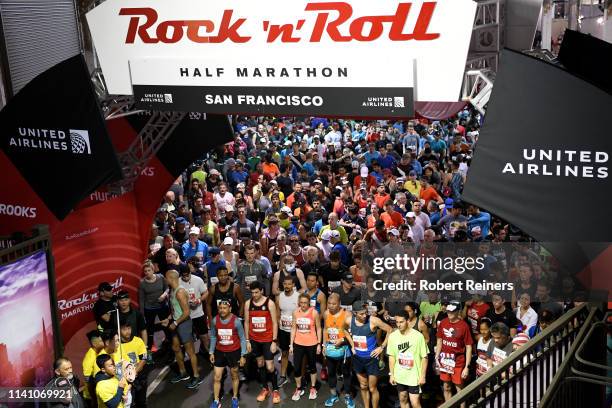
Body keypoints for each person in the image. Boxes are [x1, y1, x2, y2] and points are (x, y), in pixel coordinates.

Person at [346, 300, 392, 408]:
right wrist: (352, 344)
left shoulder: (373, 320)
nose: (365, 315)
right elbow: (343, 329)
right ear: (354, 313)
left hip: (371, 359)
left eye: (366, 312)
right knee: (363, 386)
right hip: (358, 359)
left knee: (372, 388)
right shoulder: (349, 320)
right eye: (361, 313)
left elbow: (390, 330)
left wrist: (381, 347)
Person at [162, 270, 202, 389]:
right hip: (176, 322)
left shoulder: (180, 292)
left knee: (190, 352)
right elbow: (175, 309)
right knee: (175, 348)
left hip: (183, 324)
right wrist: (168, 318)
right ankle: (183, 372)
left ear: (171, 278)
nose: (165, 280)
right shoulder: (172, 291)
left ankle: (196, 376)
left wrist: (175, 322)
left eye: (166, 278)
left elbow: (186, 312)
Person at [244, 281, 280, 404]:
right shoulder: (248, 304)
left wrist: (274, 341)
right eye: (252, 292)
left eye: (256, 292)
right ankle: (265, 388)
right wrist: (247, 340)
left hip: (267, 340)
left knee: (270, 366)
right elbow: (246, 322)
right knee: (260, 364)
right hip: (254, 340)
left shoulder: (269, 303)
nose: (254, 295)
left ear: (262, 291)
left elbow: (275, 323)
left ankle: (275, 389)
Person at [209, 300, 247, 408]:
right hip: (219, 352)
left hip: (234, 352)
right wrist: (211, 352)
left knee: (234, 375)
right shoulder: (215, 320)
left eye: (224, 308)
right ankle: (216, 401)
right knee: (217, 377)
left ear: (230, 309)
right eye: (220, 308)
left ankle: (235, 397)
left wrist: (243, 355)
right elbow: (213, 336)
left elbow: (242, 338)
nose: (222, 310)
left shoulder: (236, 321)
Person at [387, 310, 429, 408]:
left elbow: (424, 357)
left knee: (415, 403)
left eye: (401, 322)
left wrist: (423, 376)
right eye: (397, 322)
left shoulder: (418, 336)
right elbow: (391, 357)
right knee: (403, 398)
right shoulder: (393, 336)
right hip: (400, 375)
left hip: (414, 376)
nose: (398, 325)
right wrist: (391, 374)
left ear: (408, 321)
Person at [435, 301, 473, 408]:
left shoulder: (464, 326)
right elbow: (439, 340)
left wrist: (467, 367)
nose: (449, 313)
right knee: (446, 386)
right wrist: (437, 356)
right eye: (448, 311)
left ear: (458, 312)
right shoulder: (443, 323)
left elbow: (469, 347)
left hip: (458, 362)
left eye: (452, 311)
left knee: (459, 389)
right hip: (444, 361)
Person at [322, 293, 355, 408]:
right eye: (329, 303)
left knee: (346, 373)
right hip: (330, 348)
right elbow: (325, 330)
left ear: (339, 303)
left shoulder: (347, 314)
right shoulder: (326, 313)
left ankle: (347, 395)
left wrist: (342, 340)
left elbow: (352, 332)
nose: (331, 306)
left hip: (344, 349)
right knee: (331, 373)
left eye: (334, 304)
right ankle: (333, 395)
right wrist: (324, 345)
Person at [290, 293, 322, 401]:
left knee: (312, 366)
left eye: (305, 302)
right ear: (299, 302)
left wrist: (319, 343)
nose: (303, 305)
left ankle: (313, 388)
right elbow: (293, 328)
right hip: (298, 343)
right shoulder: (295, 312)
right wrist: (291, 345)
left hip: (311, 343)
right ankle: (299, 388)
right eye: (301, 302)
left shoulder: (314, 313)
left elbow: (319, 328)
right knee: (297, 367)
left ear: (309, 303)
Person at [178, 265, 209, 356]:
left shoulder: (198, 280)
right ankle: (190, 356)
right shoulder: (178, 282)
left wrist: (199, 300)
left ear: (190, 273)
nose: (186, 278)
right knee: (187, 339)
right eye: (184, 276)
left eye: (187, 275)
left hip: (198, 313)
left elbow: (206, 292)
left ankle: (208, 353)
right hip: (185, 315)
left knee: (204, 336)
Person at [275, 274, 300, 386]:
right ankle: (283, 375)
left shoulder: (298, 296)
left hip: (296, 331)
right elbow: (277, 314)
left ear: (293, 285)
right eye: (285, 284)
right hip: (283, 330)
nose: (287, 286)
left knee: (298, 355)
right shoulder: (279, 297)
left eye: (289, 284)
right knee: (284, 353)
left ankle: (299, 375)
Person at [138, 260, 169, 352]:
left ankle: (170, 345)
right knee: (150, 330)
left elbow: (167, 288)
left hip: (162, 306)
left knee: (166, 326)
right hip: (149, 309)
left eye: (149, 270)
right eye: (145, 271)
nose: (147, 273)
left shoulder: (161, 277)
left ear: (153, 270)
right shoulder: (142, 283)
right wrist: (142, 314)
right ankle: (149, 350)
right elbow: (141, 299)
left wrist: (164, 295)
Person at [118, 321, 148, 408]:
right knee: (128, 403)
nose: (127, 331)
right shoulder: (117, 345)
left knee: (141, 402)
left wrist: (134, 372)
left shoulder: (138, 341)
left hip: (140, 377)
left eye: (129, 328)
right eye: (124, 329)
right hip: (125, 379)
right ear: (119, 331)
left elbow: (144, 358)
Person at [82, 330, 105, 405]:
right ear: (94, 344)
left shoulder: (100, 352)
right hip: (91, 397)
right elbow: (88, 381)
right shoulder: (89, 357)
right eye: (101, 341)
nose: (103, 342)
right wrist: (94, 399)